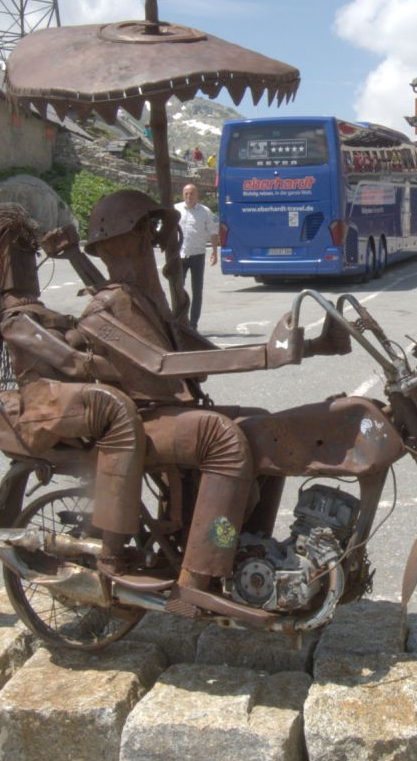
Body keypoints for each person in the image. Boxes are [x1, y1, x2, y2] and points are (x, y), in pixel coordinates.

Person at [53, 189, 348, 606]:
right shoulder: (103, 309)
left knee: (267, 427)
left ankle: (245, 550)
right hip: (138, 420)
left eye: (149, 231)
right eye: (139, 232)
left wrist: (314, 345)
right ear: (112, 243)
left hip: (171, 412)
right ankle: (197, 581)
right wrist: (270, 354)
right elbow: (159, 364)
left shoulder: (145, 301)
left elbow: (205, 355)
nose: (149, 241)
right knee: (222, 439)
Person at [0, 204, 147, 580]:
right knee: (116, 409)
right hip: (46, 399)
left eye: (30, 253)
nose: (28, 263)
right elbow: (70, 361)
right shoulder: (17, 319)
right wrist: (121, 368)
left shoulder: (38, 310)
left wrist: (76, 257)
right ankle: (111, 555)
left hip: (66, 395)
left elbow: (99, 314)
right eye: (19, 255)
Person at [173, 183, 218, 328]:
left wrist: (215, 252)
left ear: (197, 195)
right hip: (180, 255)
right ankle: (180, 321)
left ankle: (193, 324)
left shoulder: (205, 211)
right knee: (178, 290)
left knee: (197, 291)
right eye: (186, 193)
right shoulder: (176, 209)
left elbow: (213, 232)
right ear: (182, 194)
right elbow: (166, 230)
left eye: (192, 193)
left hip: (197, 255)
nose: (189, 196)